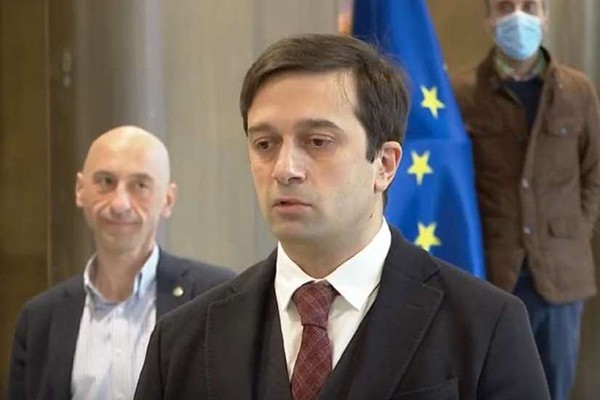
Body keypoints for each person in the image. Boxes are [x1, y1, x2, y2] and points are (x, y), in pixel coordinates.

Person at [134, 34, 550, 400]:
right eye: (265, 144)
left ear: (384, 164)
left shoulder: (485, 326)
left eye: (318, 141)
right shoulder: (183, 340)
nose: (284, 169)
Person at [6, 126, 235, 400]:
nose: (120, 204)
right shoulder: (39, 320)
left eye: (140, 185)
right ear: (80, 190)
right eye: (105, 181)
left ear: (167, 200)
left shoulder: (217, 300)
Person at [452, 1, 600, 398]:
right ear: (489, 20)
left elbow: (594, 174)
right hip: (491, 274)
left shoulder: (578, 91)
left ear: (544, 17)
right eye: (505, 7)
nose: (518, 16)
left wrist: (574, 231)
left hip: (560, 277)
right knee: (491, 387)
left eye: (529, 6)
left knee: (554, 388)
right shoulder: (462, 93)